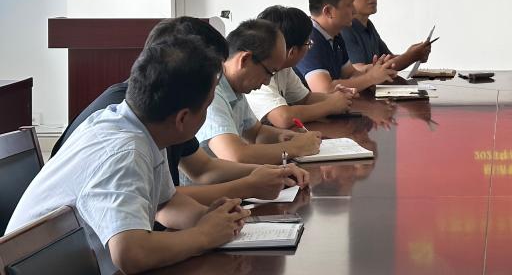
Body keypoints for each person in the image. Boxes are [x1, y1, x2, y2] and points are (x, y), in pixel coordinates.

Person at [6, 35, 251, 274]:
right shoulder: (125, 152)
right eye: (207, 106)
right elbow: (131, 254)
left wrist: (207, 217)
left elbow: (166, 203)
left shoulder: (138, 127)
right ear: (182, 119)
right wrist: (203, 235)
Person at [50, 17, 307, 204]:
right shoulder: (130, 119)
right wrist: (248, 185)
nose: (215, 83)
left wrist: (270, 174)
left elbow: (202, 170)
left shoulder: (163, 109)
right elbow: (158, 209)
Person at [196, 19, 323, 164]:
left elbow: (257, 133)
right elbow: (235, 156)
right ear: (245, 59)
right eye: (269, 72)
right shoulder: (212, 91)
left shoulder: (235, 89)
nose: (267, 82)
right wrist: (295, 147)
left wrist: (288, 136)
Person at [247, 5, 356, 128]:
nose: (309, 48)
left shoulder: (284, 68)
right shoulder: (258, 71)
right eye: (308, 43)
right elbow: (283, 118)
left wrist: (334, 97)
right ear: (292, 52)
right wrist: (330, 106)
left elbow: (304, 98)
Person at [296, 0, 397, 93]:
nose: (354, 11)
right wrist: (371, 78)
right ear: (328, 11)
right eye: (349, 5)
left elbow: (350, 75)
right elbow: (324, 89)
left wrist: (374, 71)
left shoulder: (335, 35)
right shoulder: (308, 38)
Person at [339, 0, 432, 71]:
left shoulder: (368, 25)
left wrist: (415, 54)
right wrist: (411, 56)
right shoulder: (345, 29)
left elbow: (389, 59)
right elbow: (358, 70)